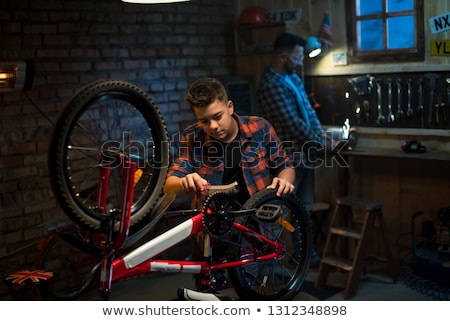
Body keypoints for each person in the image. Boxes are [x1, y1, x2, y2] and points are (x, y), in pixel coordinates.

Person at [256, 32, 337, 266]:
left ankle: (303, 257)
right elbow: (292, 123)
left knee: (304, 208)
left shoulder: (293, 78)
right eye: (298, 57)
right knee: (278, 210)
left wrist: (322, 135)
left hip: (304, 156)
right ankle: (267, 262)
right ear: (283, 56)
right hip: (284, 160)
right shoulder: (271, 85)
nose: (301, 61)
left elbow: (309, 114)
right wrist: (321, 143)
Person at [164, 77, 295, 206]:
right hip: (214, 221)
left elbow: (285, 166)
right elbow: (168, 186)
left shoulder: (260, 127)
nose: (213, 126)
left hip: (260, 219)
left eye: (217, 116)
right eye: (204, 121)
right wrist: (184, 182)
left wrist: (284, 181)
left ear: (230, 107)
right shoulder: (193, 136)